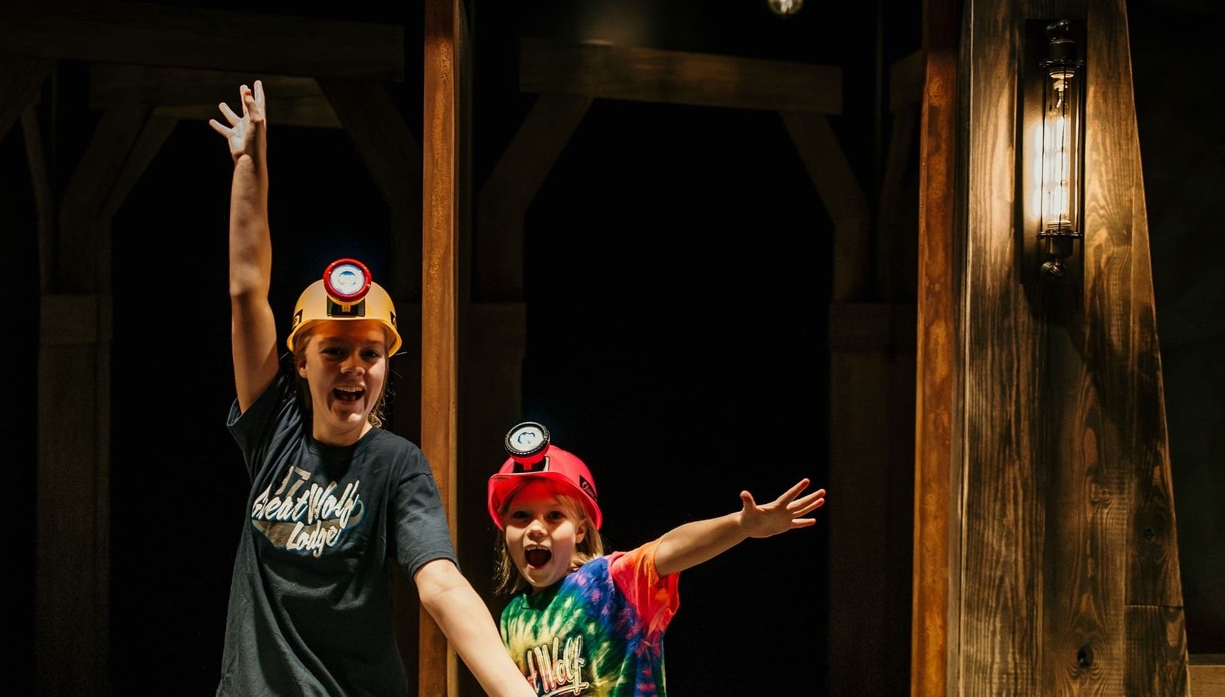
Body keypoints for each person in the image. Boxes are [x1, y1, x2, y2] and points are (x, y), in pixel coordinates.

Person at [210, 79, 536, 697]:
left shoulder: (396, 465)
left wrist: (515, 693)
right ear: (300, 363)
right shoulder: (273, 428)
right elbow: (246, 290)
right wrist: (250, 166)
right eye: (333, 352)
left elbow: (439, 581)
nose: (354, 367)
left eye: (370, 352)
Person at [486, 421, 825, 696]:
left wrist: (740, 525)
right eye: (520, 515)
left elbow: (669, 548)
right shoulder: (511, 618)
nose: (535, 528)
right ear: (505, 530)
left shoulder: (609, 582)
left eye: (554, 516)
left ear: (580, 530)